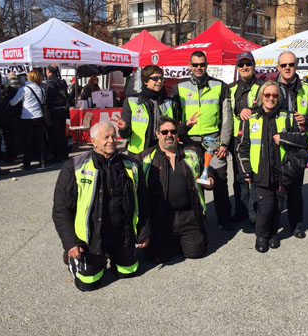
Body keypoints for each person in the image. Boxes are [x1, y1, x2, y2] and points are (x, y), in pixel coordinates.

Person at [52, 122, 151, 291]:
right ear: (93, 141)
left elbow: (143, 201)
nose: (111, 141)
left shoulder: (132, 165)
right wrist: (70, 243)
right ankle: (74, 258)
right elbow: (61, 210)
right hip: (91, 239)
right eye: (105, 137)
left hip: (121, 235)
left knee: (129, 271)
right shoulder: (75, 167)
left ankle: (115, 253)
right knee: (87, 284)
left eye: (114, 136)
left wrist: (144, 232)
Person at [237, 81, 306, 253]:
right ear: (261, 97)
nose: (271, 98)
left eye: (274, 95)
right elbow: (241, 147)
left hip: (283, 170)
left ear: (279, 98)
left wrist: (283, 138)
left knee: (278, 203)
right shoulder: (250, 118)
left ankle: (273, 234)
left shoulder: (288, 116)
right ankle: (261, 235)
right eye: (267, 95)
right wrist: (246, 171)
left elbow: (303, 140)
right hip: (260, 172)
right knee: (265, 205)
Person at [172, 51, 234, 231]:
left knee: (220, 179)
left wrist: (224, 143)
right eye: (195, 65)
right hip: (189, 141)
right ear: (189, 65)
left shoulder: (220, 86)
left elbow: (227, 117)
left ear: (207, 65)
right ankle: (198, 220)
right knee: (192, 182)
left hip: (213, 140)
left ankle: (224, 218)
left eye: (202, 64)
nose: (199, 68)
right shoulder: (179, 87)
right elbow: (174, 119)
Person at [137, 117, 212, 263]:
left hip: (189, 215)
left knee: (196, 252)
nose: (169, 135)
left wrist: (210, 180)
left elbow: (207, 170)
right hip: (161, 216)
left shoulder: (193, 152)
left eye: (172, 131)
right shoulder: (145, 158)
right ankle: (168, 240)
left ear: (177, 134)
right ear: (157, 134)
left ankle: (185, 237)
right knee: (159, 257)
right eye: (164, 132)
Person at [275, 50, 308, 239]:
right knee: (277, 189)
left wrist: (307, 120)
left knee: (295, 189)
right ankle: (272, 227)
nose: (287, 68)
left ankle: (296, 225)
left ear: (296, 66)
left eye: (291, 64)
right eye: (284, 65)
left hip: (299, 147)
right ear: (278, 67)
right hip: (277, 145)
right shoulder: (270, 87)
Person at [116, 65, 198, 157]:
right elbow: (125, 135)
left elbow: (175, 131)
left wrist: (186, 125)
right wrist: (123, 129)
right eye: (155, 78)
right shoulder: (131, 101)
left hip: (163, 152)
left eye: (161, 78)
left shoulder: (170, 103)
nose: (159, 81)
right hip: (138, 153)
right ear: (145, 81)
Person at [229, 52, 264, 224]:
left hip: (257, 138)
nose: (244, 67)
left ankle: (254, 213)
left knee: (256, 175)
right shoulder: (231, 88)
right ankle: (241, 210)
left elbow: (270, 106)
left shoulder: (263, 86)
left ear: (253, 65)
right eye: (241, 65)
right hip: (237, 139)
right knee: (239, 177)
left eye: (248, 64)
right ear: (237, 67)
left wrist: (251, 110)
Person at [9, 69, 47, 170]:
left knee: (27, 141)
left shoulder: (24, 89)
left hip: (27, 118)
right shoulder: (41, 89)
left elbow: (13, 102)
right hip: (39, 117)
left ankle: (27, 163)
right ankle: (42, 161)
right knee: (40, 141)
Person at [44, 64, 70, 163]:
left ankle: (57, 155)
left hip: (54, 111)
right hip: (63, 110)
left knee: (54, 134)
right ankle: (64, 153)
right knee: (62, 133)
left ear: (48, 71)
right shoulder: (62, 82)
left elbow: (48, 100)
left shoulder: (50, 83)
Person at [0, 72, 22, 162]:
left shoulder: (6, 89)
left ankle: (10, 155)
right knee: (18, 135)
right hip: (20, 114)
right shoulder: (21, 87)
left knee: (8, 137)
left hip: (9, 115)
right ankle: (17, 151)